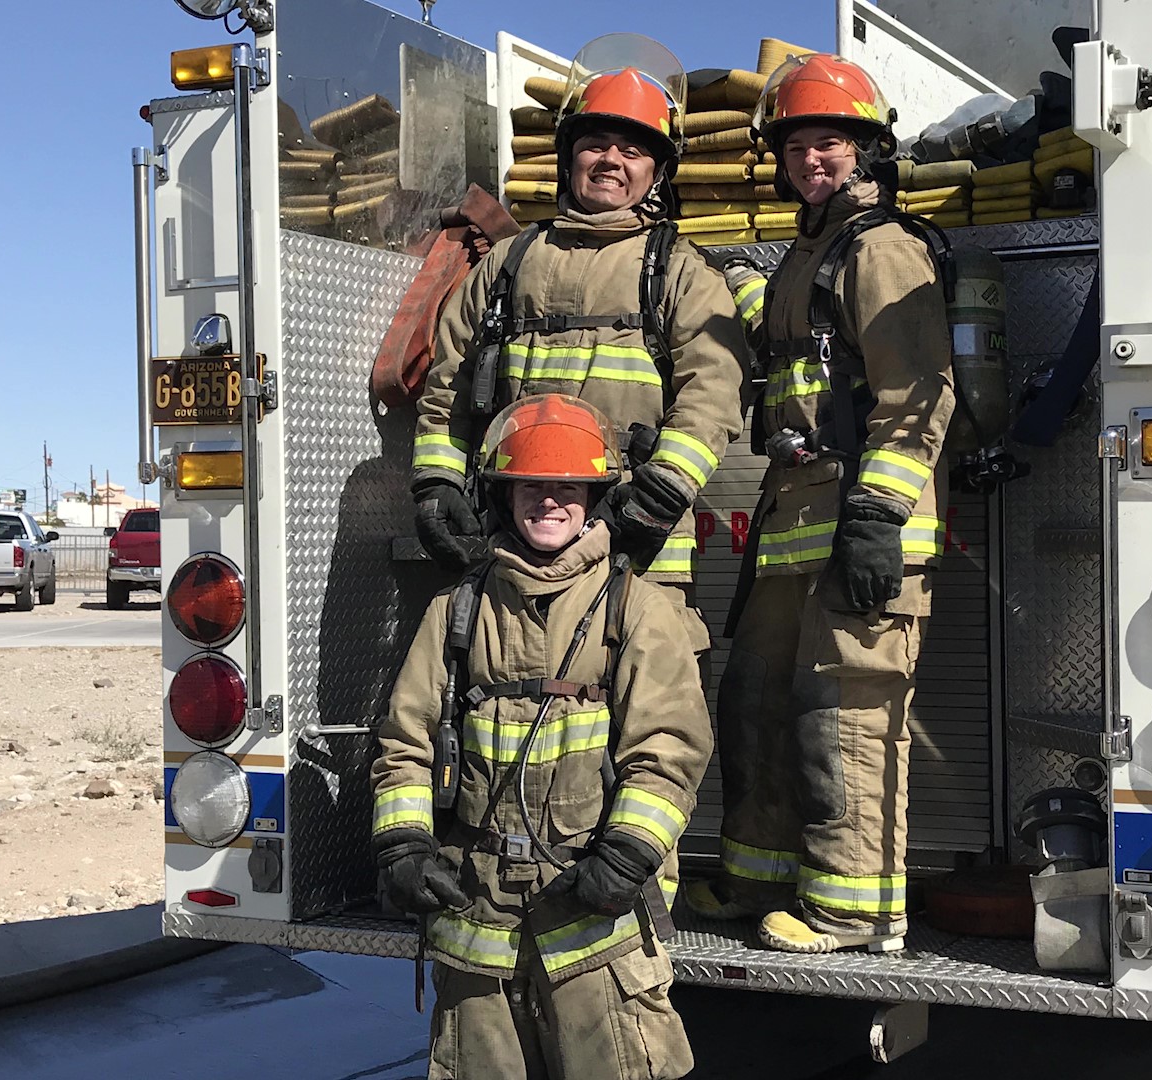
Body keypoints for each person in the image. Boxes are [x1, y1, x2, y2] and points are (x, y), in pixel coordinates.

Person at [681, 54, 955, 955]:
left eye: (828, 142)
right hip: (794, 525)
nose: (810, 159)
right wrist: (733, 283)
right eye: (796, 145)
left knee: (845, 723)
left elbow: (919, 392)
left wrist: (878, 517)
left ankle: (854, 909)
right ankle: (757, 876)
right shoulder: (813, 252)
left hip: (863, 525)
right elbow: (793, 342)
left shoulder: (882, 247)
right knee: (758, 698)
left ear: (866, 146)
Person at [371, 394, 712, 1079]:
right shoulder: (457, 610)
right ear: (503, 496)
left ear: (594, 498)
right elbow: (404, 742)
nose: (550, 503)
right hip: (478, 923)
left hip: (594, 923)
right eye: (533, 486)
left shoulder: (635, 607)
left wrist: (627, 856)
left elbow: (670, 750)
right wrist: (404, 845)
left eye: (568, 488)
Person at [412, 34, 748, 656]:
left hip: (639, 549)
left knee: (643, 718)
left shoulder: (677, 269)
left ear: (657, 170)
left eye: (632, 149)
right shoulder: (508, 264)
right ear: (569, 157)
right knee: (511, 708)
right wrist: (437, 483)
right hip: (513, 545)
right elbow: (448, 384)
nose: (611, 160)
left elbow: (714, 390)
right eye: (595, 143)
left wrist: (661, 493)